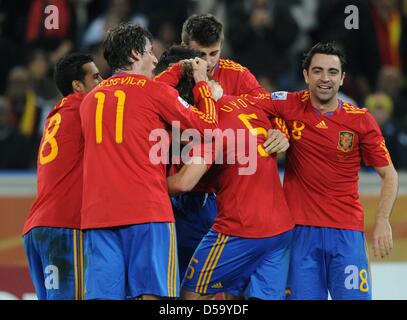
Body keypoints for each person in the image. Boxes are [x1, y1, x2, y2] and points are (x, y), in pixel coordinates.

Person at [79, 23, 218, 300]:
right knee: (153, 296)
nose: (154, 59)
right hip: (147, 213)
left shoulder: (90, 100)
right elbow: (208, 127)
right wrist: (202, 84)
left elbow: (134, 103)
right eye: (149, 53)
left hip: (97, 216)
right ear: (134, 54)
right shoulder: (154, 92)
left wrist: (175, 71)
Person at [155, 13, 289, 280]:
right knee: (179, 278)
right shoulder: (169, 76)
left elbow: (272, 111)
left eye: (213, 53)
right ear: (183, 45)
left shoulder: (237, 75)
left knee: (220, 283)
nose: (207, 62)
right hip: (174, 191)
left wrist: (281, 133)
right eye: (199, 54)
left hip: (217, 196)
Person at [261, 42, 398, 299]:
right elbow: (247, 104)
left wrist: (382, 220)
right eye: (318, 71)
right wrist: (271, 129)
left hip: (346, 235)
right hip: (299, 232)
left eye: (333, 72)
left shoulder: (360, 120)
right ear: (305, 75)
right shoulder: (287, 105)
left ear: (343, 78)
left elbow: (389, 175)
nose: (325, 79)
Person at [22, 53, 102, 300]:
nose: (104, 82)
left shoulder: (56, 115)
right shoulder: (86, 107)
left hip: (38, 229)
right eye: (96, 76)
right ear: (77, 86)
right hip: (64, 227)